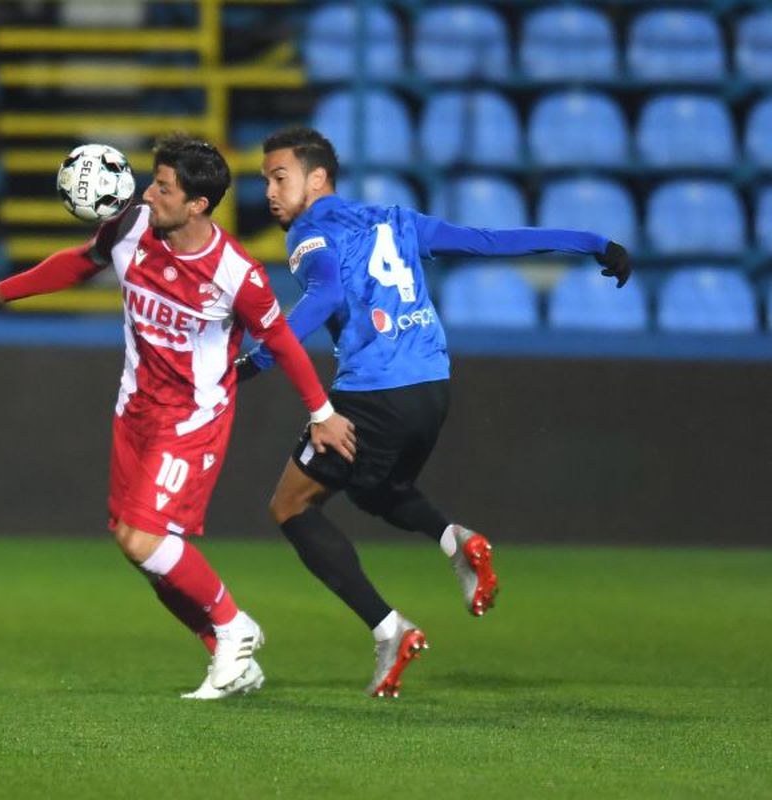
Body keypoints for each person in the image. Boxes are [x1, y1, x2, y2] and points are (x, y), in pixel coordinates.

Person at [236, 126, 631, 698]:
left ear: (317, 179)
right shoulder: (398, 219)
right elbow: (488, 242)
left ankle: (389, 629)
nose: (270, 192)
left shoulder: (310, 231)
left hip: (373, 393)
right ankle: (455, 541)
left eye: (280, 178)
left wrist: (257, 361)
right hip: (432, 388)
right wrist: (593, 241)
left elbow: (324, 297)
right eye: (265, 181)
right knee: (375, 490)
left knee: (291, 506)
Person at [0, 134, 356, 700]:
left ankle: (234, 627)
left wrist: (321, 412)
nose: (148, 193)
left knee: (146, 539)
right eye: (154, 180)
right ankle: (228, 655)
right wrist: (7, 290)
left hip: (192, 418)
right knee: (134, 543)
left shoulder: (235, 272)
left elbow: (283, 342)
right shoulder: (129, 227)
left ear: (198, 204)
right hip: (135, 409)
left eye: (163, 187)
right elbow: (81, 262)